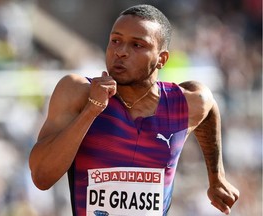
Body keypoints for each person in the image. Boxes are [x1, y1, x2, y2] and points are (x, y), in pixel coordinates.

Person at [29, 4, 239, 216]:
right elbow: (41, 177)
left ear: (161, 59)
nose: (121, 52)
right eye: (115, 41)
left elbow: (209, 107)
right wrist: (92, 110)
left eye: (137, 45)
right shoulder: (77, 92)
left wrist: (217, 177)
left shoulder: (183, 103)